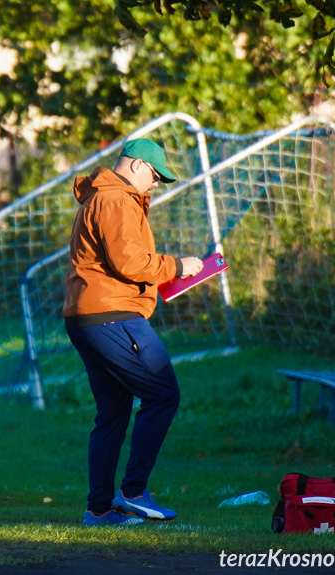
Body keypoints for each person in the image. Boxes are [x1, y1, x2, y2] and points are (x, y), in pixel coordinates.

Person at [62, 138, 204, 527]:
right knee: (163, 395)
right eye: (156, 177)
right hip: (112, 316)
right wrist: (177, 266)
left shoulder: (103, 196)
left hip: (88, 316)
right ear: (139, 166)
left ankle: (99, 510)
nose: (155, 185)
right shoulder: (116, 199)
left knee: (112, 414)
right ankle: (133, 491)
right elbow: (129, 261)